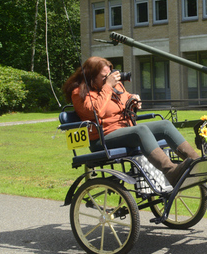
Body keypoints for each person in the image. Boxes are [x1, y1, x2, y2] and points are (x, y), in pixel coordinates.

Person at [62, 56, 197, 186]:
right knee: (141, 131)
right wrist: (107, 86)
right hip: (102, 138)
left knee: (165, 125)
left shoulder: (116, 86)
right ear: (90, 77)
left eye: (109, 75)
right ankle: (170, 171)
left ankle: (196, 162)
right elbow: (97, 111)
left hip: (126, 129)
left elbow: (126, 97)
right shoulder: (79, 93)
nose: (108, 79)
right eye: (104, 77)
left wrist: (134, 99)